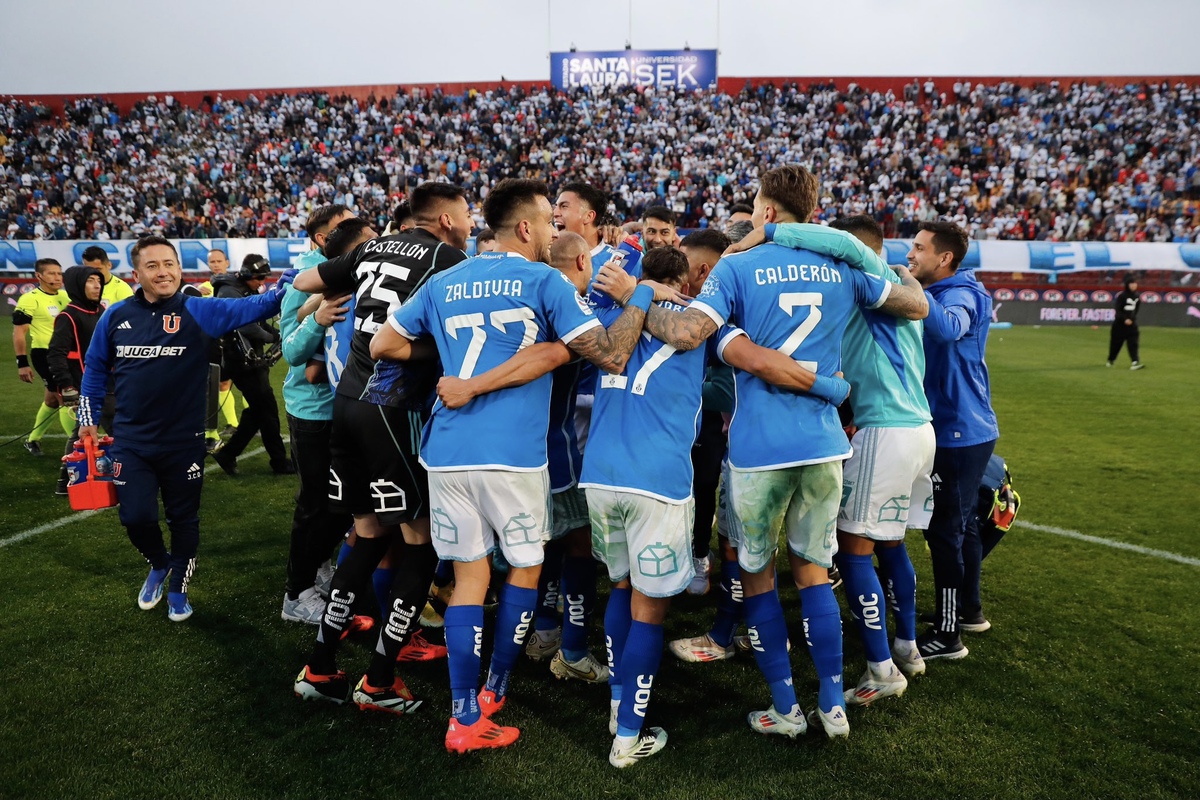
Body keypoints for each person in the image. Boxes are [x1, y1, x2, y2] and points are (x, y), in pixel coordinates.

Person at [625, 164, 928, 739]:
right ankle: (833, 704)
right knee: (814, 571)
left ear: (765, 213)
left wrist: (635, 298)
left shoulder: (736, 266)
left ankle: (786, 709)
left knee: (757, 572)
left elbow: (690, 333)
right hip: (823, 443)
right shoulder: (841, 265)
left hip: (759, 447)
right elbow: (915, 305)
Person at [369, 178, 648, 754]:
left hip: (446, 456)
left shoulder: (444, 281)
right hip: (513, 458)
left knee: (470, 579)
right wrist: (642, 296)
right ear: (526, 228)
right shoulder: (544, 278)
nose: (554, 231)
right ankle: (494, 689)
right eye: (549, 221)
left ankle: (462, 715)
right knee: (524, 566)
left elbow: (384, 348)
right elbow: (603, 350)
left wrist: (449, 363)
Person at [290, 182, 472, 717]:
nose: (468, 220)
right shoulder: (447, 256)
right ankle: (379, 681)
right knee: (422, 540)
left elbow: (303, 280)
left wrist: (329, 304)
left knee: (367, 531)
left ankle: (320, 667)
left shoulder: (371, 246)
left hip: (345, 401)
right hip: (393, 406)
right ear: (443, 219)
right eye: (464, 212)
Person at [746, 215, 937, 694]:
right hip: (919, 429)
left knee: (853, 553)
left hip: (884, 428)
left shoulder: (864, 276)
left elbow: (840, 243)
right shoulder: (897, 286)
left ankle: (880, 670)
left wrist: (769, 232)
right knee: (890, 543)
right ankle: (907, 647)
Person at [77, 235, 295, 622]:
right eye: (153, 266)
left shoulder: (200, 310)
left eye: (169, 264)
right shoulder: (115, 316)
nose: (163, 272)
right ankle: (159, 564)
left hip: (184, 442)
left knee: (183, 519)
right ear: (136, 273)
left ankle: (178, 585)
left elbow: (258, 304)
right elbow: (94, 369)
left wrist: (289, 283)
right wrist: (87, 420)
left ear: (179, 268)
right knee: (136, 518)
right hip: (131, 441)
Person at [905, 220, 1000, 660]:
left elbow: (947, 329)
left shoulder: (962, 295)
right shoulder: (947, 291)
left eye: (920, 249)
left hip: (959, 432)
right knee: (960, 529)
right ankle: (968, 611)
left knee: (944, 532)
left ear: (944, 258)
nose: (911, 256)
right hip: (964, 427)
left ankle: (947, 636)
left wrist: (910, 287)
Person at [277, 204, 355, 624]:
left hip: (345, 406)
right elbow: (290, 350)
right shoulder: (306, 278)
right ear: (324, 239)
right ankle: (296, 593)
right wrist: (317, 319)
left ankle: (319, 565)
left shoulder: (345, 270)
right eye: (343, 228)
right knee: (316, 503)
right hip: (313, 410)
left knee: (339, 505)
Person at [677, 228, 734, 594]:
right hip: (674, 424)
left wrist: (676, 390)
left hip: (707, 424)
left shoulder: (726, 313)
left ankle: (699, 554)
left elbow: (725, 392)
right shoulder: (676, 307)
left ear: (700, 272)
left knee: (703, 484)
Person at [210, 255, 291, 476]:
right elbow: (245, 325)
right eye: (259, 279)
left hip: (252, 359)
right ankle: (279, 462)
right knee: (267, 410)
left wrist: (277, 333)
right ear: (248, 275)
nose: (261, 283)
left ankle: (228, 454)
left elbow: (259, 317)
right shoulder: (229, 291)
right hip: (241, 361)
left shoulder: (243, 289)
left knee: (258, 411)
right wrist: (270, 336)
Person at [47, 265, 116, 495]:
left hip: (107, 381)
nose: (97, 285)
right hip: (87, 384)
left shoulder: (99, 312)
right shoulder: (69, 315)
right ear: (78, 284)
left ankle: (65, 482)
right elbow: (56, 353)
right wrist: (66, 386)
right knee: (117, 428)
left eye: (99, 281)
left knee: (82, 432)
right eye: (90, 281)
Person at [13, 258, 72, 456]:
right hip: (44, 355)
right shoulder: (30, 299)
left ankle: (32, 440)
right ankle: (77, 447)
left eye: (59, 273)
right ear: (39, 276)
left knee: (52, 400)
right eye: (52, 273)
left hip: (66, 354)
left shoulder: (65, 296)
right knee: (66, 399)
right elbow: (19, 332)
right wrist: (22, 363)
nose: (57, 277)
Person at [1107, 274, 1144, 369]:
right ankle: (1111, 359)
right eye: (1131, 283)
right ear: (1127, 285)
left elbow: (1136, 311)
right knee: (1116, 344)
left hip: (1132, 325)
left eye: (1135, 283)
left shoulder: (1137, 297)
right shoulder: (1122, 296)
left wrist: (1132, 319)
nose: (1133, 285)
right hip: (1119, 325)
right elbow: (1118, 310)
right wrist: (1125, 319)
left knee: (1133, 342)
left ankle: (1135, 361)